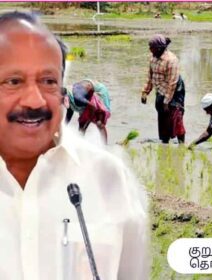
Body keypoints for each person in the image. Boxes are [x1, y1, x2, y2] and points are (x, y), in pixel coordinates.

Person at [0, 12, 148, 279]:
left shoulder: (108, 177)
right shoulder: (71, 101)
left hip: (96, 102)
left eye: (48, 81)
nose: (34, 101)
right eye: (14, 81)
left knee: (96, 123)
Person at [141, 34, 186, 144]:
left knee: (176, 118)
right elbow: (150, 76)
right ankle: (164, 143)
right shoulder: (153, 58)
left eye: (152, 47)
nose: (150, 49)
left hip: (175, 92)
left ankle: (181, 145)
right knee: (162, 117)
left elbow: (172, 83)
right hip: (160, 90)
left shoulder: (171, 60)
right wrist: (145, 92)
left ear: (159, 48)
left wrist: (167, 101)